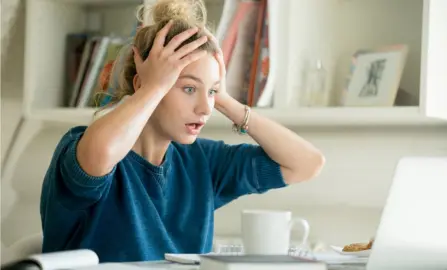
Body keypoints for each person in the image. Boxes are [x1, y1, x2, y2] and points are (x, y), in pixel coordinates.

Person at [39, 0, 325, 263]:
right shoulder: (80, 147)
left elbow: (306, 163)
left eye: (211, 92)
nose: (205, 108)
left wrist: (225, 100)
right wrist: (154, 87)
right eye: (188, 88)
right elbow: (101, 156)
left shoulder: (202, 161)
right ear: (144, 86)